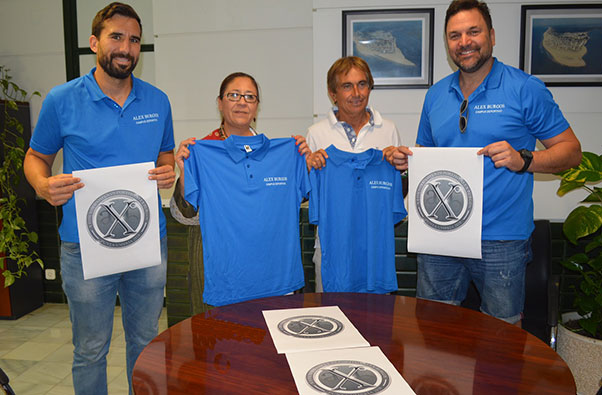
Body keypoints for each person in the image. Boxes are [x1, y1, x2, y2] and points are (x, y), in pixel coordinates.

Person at [388, 0, 581, 324]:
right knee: (433, 329)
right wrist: (406, 160)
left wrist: (525, 159)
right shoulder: (435, 96)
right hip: (440, 235)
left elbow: (571, 151)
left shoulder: (524, 89)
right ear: (447, 43)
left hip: (501, 238)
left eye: (473, 32)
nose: (464, 42)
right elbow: (428, 157)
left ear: (491, 35)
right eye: (454, 35)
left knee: (501, 335)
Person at [23, 3, 175, 393]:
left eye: (135, 39)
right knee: (90, 349)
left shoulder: (158, 102)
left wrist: (167, 169)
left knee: (146, 344)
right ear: (94, 43)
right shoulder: (62, 100)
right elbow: (36, 157)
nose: (126, 47)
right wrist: (42, 185)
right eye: (117, 37)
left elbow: (166, 153)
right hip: (84, 245)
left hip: (146, 243)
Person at [171, 72, 310, 313]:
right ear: (220, 103)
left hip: (273, 277)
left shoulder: (285, 153)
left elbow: (301, 197)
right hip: (223, 280)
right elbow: (183, 215)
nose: (242, 101)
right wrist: (184, 171)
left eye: (250, 97)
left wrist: (305, 165)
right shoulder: (202, 151)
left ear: (257, 107)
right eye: (234, 95)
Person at [306, 56, 404, 292]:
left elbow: (397, 190)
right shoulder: (315, 133)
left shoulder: (389, 130)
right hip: (331, 250)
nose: (356, 93)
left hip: (375, 250)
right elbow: (307, 192)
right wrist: (309, 165)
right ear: (333, 93)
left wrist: (400, 163)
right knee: (331, 319)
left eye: (362, 84)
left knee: (375, 321)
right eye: (347, 86)